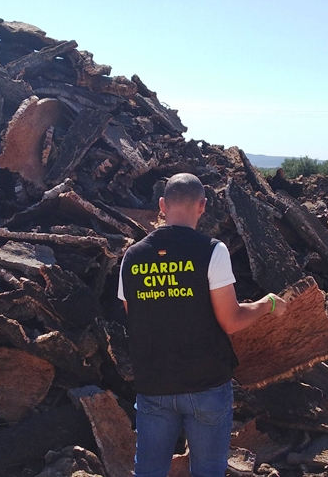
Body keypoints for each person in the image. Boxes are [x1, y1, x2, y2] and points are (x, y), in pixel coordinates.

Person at [118, 173, 288, 477]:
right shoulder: (212, 251)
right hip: (206, 384)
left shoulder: (133, 257)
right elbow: (232, 321)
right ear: (202, 206)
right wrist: (267, 304)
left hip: (154, 383)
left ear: (162, 205)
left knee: (148, 472)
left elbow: (136, 313)